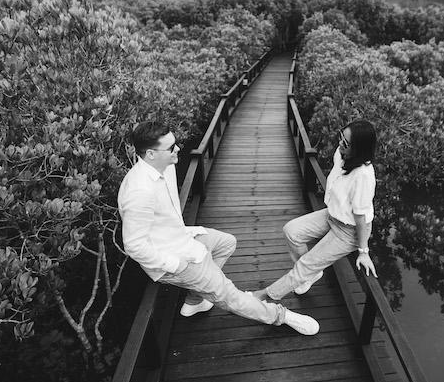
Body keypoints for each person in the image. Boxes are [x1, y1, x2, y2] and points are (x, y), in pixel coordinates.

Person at [117, 121, 319, 335]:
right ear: (150, 154)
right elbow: (134, 245)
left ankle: (197, 300)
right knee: (230, 295)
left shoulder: (164, 166)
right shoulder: (139, 192)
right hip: (172, 258)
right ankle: (281, 316)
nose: (178, 149)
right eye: (171, 147)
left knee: (226, 243)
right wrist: (176, 264)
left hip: (183, 238)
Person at [253, 119, 377, 302]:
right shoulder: (343, 154)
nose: (340, 144)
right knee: (291, 231)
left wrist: (363, 252)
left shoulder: (363, 176)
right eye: (341, 137)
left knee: (305, 265)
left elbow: (361, 217)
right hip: (332, 216)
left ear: (359, 148)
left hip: (349, 231)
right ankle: (311, 274)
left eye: (346, 143)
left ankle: (264, 296)